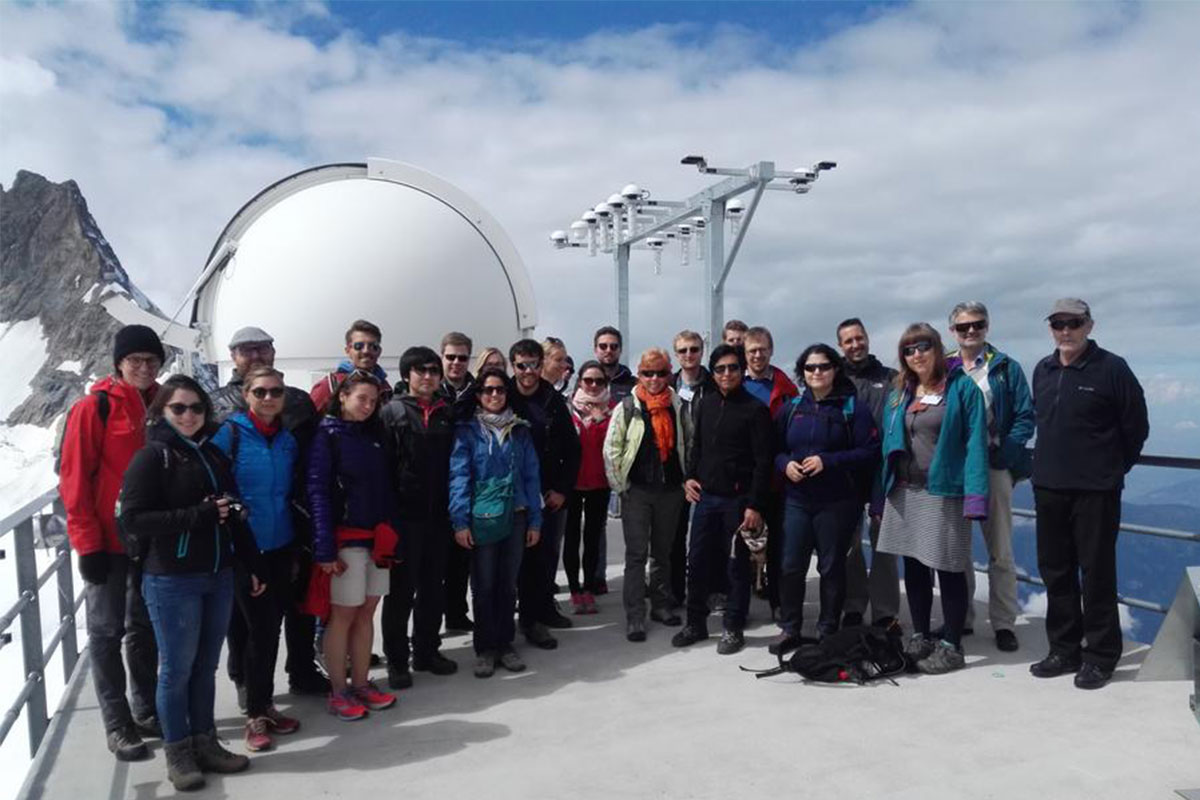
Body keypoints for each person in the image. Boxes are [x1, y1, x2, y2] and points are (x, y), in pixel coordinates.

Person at [118, 375, 265, 790]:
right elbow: (133, 519)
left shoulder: (211, 455)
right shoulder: (153, 457)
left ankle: (206, 742)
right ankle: (178, 751)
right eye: (178, 408)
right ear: (162, 411)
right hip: (171, 579)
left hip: (216, 575)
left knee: (204, 667)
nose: (188, 415)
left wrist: (250, 563)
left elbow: (230, 511)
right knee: (176, 670)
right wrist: (197, 515)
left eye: (196, 408)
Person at [1029, 299, 1148, 690]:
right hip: (1049, 486)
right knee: (1055, 570)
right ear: (1051, 328)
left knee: (1096, 572)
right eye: (1058, 323)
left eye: (1074, 323)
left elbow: (1136, 426)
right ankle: (1064, 649)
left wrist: (1113, 468)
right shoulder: (1043, 370)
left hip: (1096, 490)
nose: (1065, 330)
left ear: (1089, 325)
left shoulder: (1112, 369)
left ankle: (1100, 656)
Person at [59, 324, 162, 762]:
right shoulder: (94, 408)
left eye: (151, 360)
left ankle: (145, 709)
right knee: (105, 631)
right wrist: (88, 547)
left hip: (152, 538)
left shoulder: (164, 402)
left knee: (144, 627)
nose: (143, 367)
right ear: (119, 363)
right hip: (108, 540)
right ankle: (117, 724)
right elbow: (75, 479)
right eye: (134, 360)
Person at [210, 326, 329, 702]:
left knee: (299, 602)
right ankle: (246, 681)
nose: (256, 355)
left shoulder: (297, 401)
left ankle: (303, 669)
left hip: (294, 518)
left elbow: (313, 457)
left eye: (262, 348)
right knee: (244, 614)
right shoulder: (214, 405)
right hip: (243, 529)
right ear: (233, 357)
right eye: (247, 350)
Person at [875, 323, 989, 675]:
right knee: (914, 566)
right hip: (906, 489)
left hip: (944, 490)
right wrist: (882, 491)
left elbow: (975, 445)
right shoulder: (901, 392)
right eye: (909, 350)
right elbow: (887, 441)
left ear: (938, 349)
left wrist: (975, 497)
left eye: (923, 346)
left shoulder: (962, 390)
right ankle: (921, 635)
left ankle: (952, 644)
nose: (917, 355)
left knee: (950, 567)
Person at [211, 367, 303, 752]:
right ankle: (255, 713)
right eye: (261, 391)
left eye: (276, 392)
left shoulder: (286, 439)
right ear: (247, 394)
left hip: (281, 544)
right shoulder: (229, 435)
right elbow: (215, 489)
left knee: (270, 628)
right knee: (258, 631)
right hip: (245, 549)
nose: (269, 398)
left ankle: (264, 702)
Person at [771, 345, 880, 653]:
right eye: (810, 368)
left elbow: (869, 451)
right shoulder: (791, 408)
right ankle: (790, 627)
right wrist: (785, 465)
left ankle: (827, 628)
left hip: (837, 501)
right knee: (791, 565)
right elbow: (775, 450)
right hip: (797, 500)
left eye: (823, 366)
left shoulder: (852, 409)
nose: (816, 372)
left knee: (831, 567)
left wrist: (827, 461)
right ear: (802, 373)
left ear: (835, 370)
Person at [306, 371, 398, 720]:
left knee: (365, 613)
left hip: (377, 540)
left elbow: (385, 487)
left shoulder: (373, 436)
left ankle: (361, 683)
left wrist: (392, 533)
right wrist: (324, 547)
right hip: (346, 539)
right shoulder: (326, 436)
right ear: (342, 396)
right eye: (362, 398)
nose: (368, 406)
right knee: (342, 616)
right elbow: (317, 492)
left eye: (373, 401)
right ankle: (338, 690)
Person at [946, 302, 1035, 653]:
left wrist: (1006, 455)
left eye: (977, 325)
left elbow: (1025, 416)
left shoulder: (1005, 368)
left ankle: (1002, 623)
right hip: (956, 469)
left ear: (987, 326)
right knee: (957, 548)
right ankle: (963, 617)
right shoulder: (945, 367)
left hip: (993, 465)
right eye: (963, 326)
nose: (971, 332)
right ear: (952, 330)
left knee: (1000, 549)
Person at [674, 344, 772, 655]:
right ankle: (695, 622)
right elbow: (696, 448)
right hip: (707, 499)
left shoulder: (755, 410)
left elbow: (764, 462)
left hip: (738, 501)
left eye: (732, 368)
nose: (726, 373)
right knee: (698, 562)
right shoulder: (707, 404)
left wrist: (755, 505)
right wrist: (689, 477)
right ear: (713, 373)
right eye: (720, 369)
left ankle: (733, 627)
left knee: (736, 567)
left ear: (742, 370)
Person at [449, 367, 543, 678]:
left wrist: (535, 520)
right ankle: (485, 648)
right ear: (478, 394)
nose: (494, 395)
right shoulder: (467, 431)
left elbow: (531, 476)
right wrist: (460, 521)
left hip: (515, 516)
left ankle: (505, 643)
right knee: (484, 585)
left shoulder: (519, 430)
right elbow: (459, 476)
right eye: (488, 390)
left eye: (500, 390)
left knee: (507, 584)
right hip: (482, 519)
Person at [380, 347, 458, 690]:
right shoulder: (392, 412)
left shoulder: (446, 412)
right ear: (407, 375)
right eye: (420, 370)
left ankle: (427, 650)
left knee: (433, 588)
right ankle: (397, 661)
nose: (427, 376)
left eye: (432, 371)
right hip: (404, 517)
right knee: (400, 592)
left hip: (438, 515)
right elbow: (383, 469)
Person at [604, 349, 688, 641]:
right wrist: (620, 487)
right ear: (639, 374)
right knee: (636, 555)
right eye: (648, 373)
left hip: (670, 490)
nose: (654, 379)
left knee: (662, 554)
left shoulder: (678, 405)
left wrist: (686, 480)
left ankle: (661, 605)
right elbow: (612, 449)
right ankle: (635, 615)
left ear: (669, 374)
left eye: (661, 373)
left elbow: (687, 442)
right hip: (637, 491)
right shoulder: (627, 407)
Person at [509, 339, 582, 650]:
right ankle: (502, 628)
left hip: (546, 494)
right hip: (509, 497)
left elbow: (572, 449)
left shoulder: (551, 399)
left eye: (534, 365)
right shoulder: (499, 394)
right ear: (513, 366)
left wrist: (563, 490)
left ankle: (535, 619)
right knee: (509, 566)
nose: (528, 371)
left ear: (542, 366)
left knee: (542, 562)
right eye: (522, 365)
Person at [836, 318, 901, 629]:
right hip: (846, 474)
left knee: (884, 543)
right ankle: (853, 606)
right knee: (849, 545)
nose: (855, 345)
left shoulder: (890, 378)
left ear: (867, 339)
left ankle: (885, 611)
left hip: (882, 472)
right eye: (848, 341)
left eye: (859, 338)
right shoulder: (834, 380)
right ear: (840, 346)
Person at [741, 326, 798, 616]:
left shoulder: (786, 388)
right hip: (743, 479)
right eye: (752, 350)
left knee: (779, 547)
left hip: (776, 478)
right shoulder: (734, 382)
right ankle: (736, 608)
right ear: (745, 352)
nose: (758, 354)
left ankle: (779, 602)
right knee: (740, 548)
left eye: (763, 349)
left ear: (771, 350)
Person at [564, 360, 614, 615]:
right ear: (579, 382)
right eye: (588, 381)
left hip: (599, 483)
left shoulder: (613, 409)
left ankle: (589, 588)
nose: (593, 386)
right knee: (571, 538)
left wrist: (601, 420)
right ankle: (574, 590)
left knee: (593, 538)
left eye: (599, 381)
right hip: (571, 484)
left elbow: (616, 443)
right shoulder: (568, 407)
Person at [669, 330, 712, 607]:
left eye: (694, 349)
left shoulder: (714, 383)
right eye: (683, 350)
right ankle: (674, 592)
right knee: (674, 537)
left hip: (707, 470)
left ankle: (708, 591)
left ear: (702, 351)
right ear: (676, 354)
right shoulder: (667, 385)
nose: (689, 355)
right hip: (675, 472)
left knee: (706, 537)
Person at [439, 331, 476, 633]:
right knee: (431, 562)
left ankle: (456, 612)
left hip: (467, 483)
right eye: (450, 356)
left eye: (462, 357)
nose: (456, 363)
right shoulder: (428, 390)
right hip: (433, 484)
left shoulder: (478, 393)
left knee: (461, 556)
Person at [310, 319, 393, 415]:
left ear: (379, 351)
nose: (366, 351)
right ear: (348, 350)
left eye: (373, 346)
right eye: (359, 346)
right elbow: (308, 426)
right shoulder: (329, 386)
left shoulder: (385, 388)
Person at [593, 325, 636, 401]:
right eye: (603, 346)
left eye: (613, 346)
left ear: (620, 350)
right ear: (595, 350)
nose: (608, 350)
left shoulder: (634, 385)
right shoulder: (587, 382)